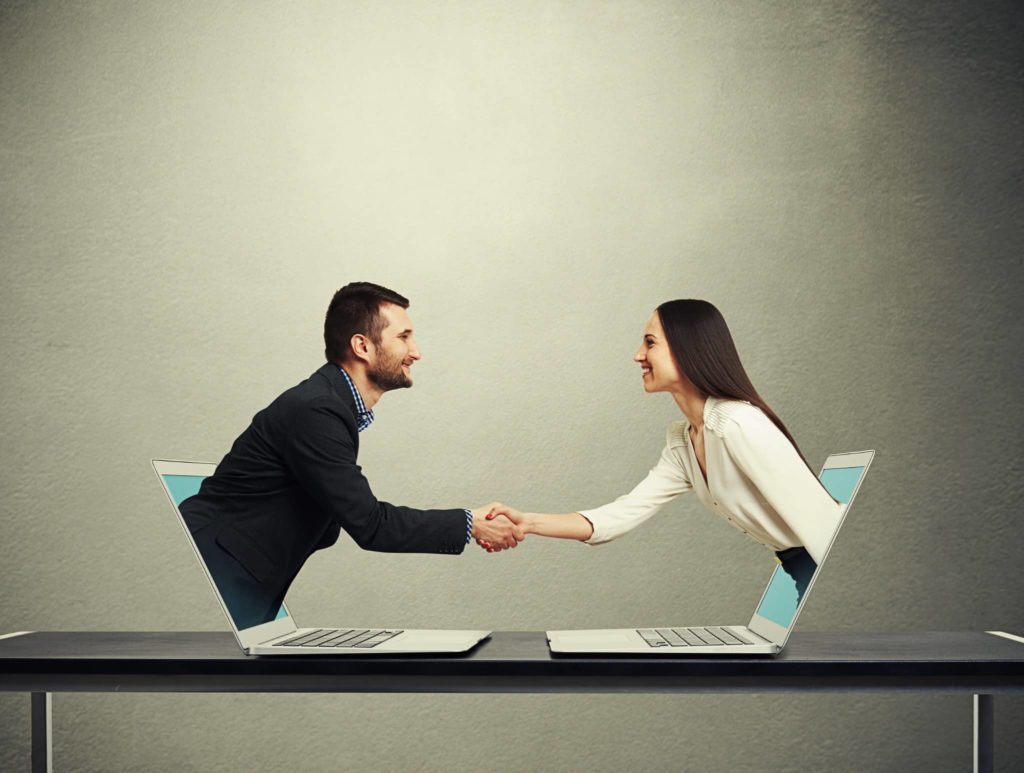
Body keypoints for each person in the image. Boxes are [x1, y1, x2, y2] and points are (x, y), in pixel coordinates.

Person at [180, 282, 522, 629]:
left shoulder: (329, 405)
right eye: (403, 337)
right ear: (362, 346)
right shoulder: (317, 410)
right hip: (206, 589)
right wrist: (470, 524)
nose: (416, 352)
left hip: (232, 584)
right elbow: (371, 525)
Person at [481, 299, 841, 601]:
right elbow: (621, 514)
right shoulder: (685, 442)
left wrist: (832, 597)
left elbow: (821, 523)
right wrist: (528, 522)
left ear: (687, 350)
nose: (638, 355)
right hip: (798, 571)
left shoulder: (737, 424)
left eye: (650, 343)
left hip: (820, 571)